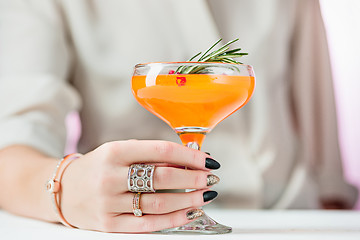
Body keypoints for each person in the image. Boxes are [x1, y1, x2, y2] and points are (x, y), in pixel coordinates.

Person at [0, 0, 357, 233]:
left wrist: (330, 209)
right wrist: (66, 186)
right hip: (138, 230)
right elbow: (11, 149)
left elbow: (322, 145)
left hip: (292, 225)